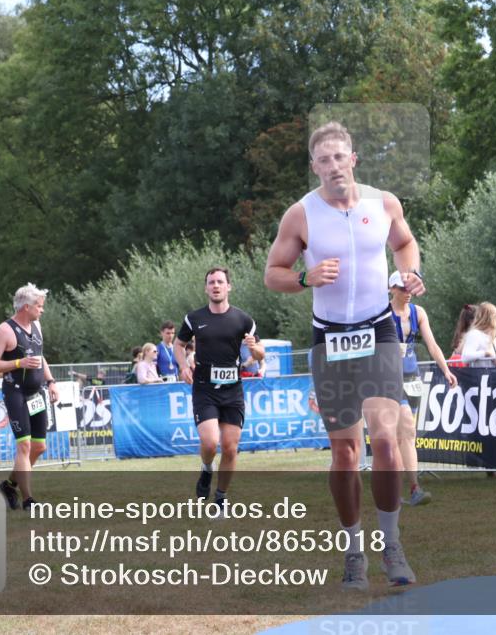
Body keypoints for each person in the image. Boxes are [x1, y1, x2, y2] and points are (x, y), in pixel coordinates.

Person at [264, 121, 422, 589]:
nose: (334, 167)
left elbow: (406, 244)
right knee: (346, 453)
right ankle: (354, 551)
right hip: (329, 340)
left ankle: (391, 546)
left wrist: (407, 275)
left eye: (340, 157)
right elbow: (274, 273)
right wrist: (305, 280)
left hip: (377, 331)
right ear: (314, 167)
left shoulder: (384, 203)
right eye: (324, 160)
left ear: (353, 160)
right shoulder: (301, 215)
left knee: (388, 440)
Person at [174, 267, 264, 511]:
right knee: (211, 442)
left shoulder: (244, 320)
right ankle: (206, 469)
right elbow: (178, 343)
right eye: (211, 282)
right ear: (206, 288)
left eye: (220, 282)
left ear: (228, 287)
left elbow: (260, 353)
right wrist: (183, 366)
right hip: (204, 388)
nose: (215, 286)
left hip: (232, 390)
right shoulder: (194, 318)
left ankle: (221, 498)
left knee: (230, 447)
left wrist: (253, 347)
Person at [0, 283, 60, 511]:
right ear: (26, 307)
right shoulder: (5, 330)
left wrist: (51, 382)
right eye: (39, 306)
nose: (42, 310)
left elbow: (41, 357)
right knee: (25, 446)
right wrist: (18, 363)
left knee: (39, 447)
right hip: (15, 391)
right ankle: (29, 499)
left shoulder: (37, 325)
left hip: (36, 393)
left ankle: (10, 484)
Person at [388, 271, 458, 506]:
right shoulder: (382, 314)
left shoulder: (419, 313)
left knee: (407, 434)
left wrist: (446, 370)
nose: (407, 293)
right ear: (392, 290)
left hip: (411, 376)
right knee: (404, 425)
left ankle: (409, 488)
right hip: (387, 378)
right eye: (402, 289)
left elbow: (432, 344)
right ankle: (407, 488)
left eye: (409, 289)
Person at [461, 302, 496, 367]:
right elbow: (465, 357)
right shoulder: (474, 334)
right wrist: (486, 353)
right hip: (480, 375)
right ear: (491, 318)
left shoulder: (492, 337)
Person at [446, 304, 476, 368]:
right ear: (472, 321)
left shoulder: (461, 333)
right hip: (465, 369)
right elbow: (459, 351)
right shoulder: (469, 335)